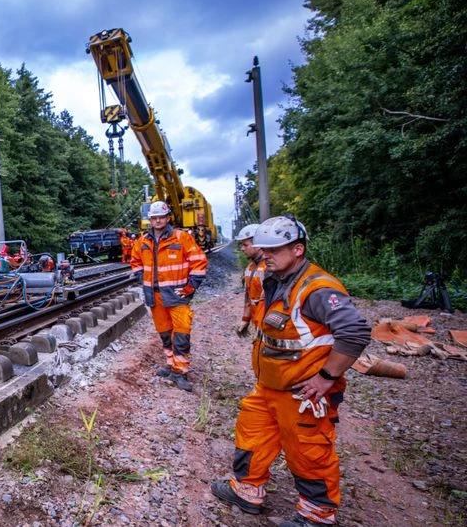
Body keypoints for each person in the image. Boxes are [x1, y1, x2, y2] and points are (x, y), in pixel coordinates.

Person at [211, 215, 371, 527]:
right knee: (251, 434)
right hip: (271, 385)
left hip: (302, 391)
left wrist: (326, 378)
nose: (264, 254)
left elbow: (355, 333)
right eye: (263, 249)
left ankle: (317, 514)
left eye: (273, 250)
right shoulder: (277, 279)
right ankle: (247, 490)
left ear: (297, 250)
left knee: (308, 451)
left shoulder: (318, 288)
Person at [130, 200, 208, 391]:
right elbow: (135, 261)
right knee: (165, 332)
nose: (158, 221)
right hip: (154, 295)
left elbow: (199, 262)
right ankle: (171, 364)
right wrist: (142, 277)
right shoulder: (142, 241)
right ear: (150, 220)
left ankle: (181, 371)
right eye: (154, 218)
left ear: (167, 217)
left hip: (177, 295)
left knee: (181, 333)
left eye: (161, 217)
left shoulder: (181, 238)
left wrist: (190, 287)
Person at [235, 223, 264, 337]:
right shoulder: (250, 269)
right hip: (259, 322)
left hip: (269, 325)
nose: (242, 249)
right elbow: (249, 297)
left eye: (245, 245)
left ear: (258, 245)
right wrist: (245, 319)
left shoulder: (271, 268)